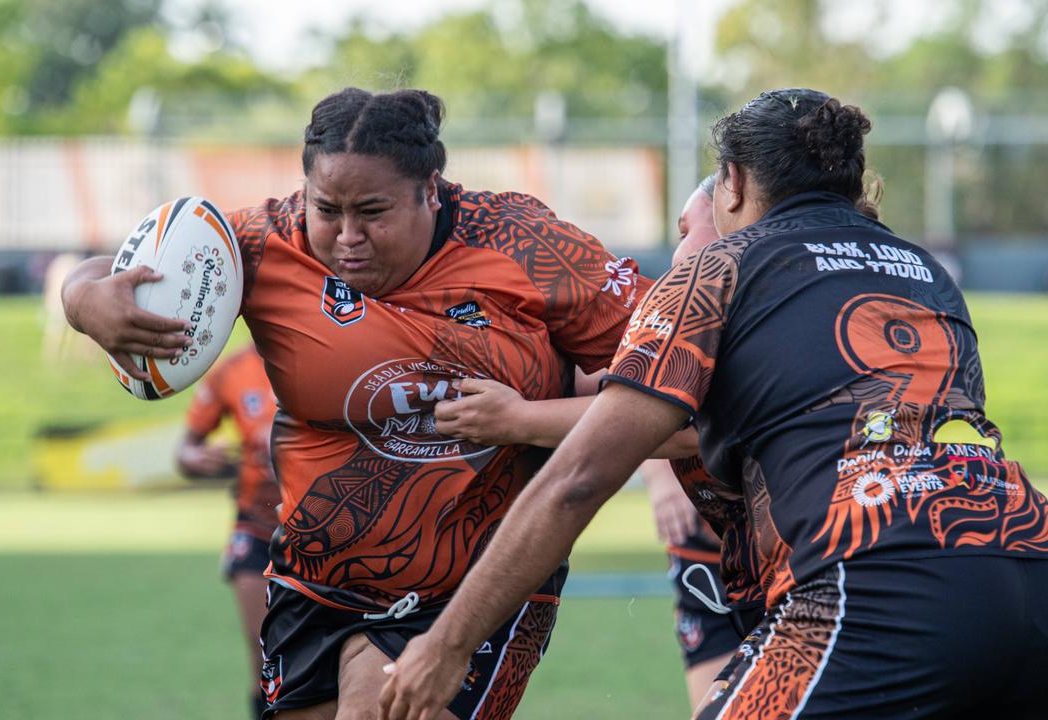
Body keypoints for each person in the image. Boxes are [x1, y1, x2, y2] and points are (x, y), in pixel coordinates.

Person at [379, 89, 1048, 720]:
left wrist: (446, 646)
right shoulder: (925, 272)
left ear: (735, 182)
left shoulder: (719, 268)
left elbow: (579, 479)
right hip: (1046, 580)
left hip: (880, 586)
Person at [60, 87, 651, 720]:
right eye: (327, 209)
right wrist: (85, 302)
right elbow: (124, 271)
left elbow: (677, 396)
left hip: (474, 581)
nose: (347, 237)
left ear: (432, 188)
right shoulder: (264, 241)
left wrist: (524, 421)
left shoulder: (528, 247)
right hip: (312, 577)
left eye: (372, 211)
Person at [433, 177, 741, 707]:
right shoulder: (677, 316)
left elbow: (680, 421)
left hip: (802, 567)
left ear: (741, 222)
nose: (678, 251)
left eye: (690, 231)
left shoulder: (755, 323)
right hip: (718, 554)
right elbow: (621, 391)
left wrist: (518, 418)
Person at [175, 343, 281, 720]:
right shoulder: (231, 370)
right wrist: (195, 458)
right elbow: (184, 450)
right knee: (263, 654)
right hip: (255, 525)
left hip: (317, 529)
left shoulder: (324, 354)